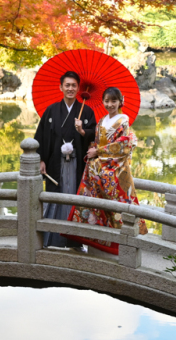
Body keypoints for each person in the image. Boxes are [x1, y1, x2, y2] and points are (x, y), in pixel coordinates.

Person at [66, 86, 147, 254]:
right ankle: (100, 241)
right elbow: (96, 142)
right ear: (102, 102)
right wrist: (91, 148)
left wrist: (99, 152)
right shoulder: (102, 120)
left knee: (117, 205)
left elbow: (123, 145)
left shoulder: (123, 120)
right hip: (98, 167)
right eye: (107, 101)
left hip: (115, 169)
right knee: (96, 203)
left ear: (120, 102)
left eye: (114, 101)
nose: (110, 104)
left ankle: (124, 243)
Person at [34, 70, 97, 248]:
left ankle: (75, 240)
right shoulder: (51, 110)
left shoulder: (86, 112)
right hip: (55, 163)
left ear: (78, 88)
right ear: (60, 87)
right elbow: (42, 136)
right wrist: (41, 160)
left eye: (73, 85)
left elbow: (95, 137)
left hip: (77, 165)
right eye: (67, 85)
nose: (70, 89)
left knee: (74, 196)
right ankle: (51, 238)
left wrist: (83, 131)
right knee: (55, 196)